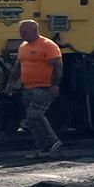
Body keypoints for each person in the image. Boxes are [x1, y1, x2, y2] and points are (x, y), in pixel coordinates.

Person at [13, 19, 63, 157]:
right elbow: (18, 65)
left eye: (24, 31)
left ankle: (52, 142)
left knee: (34, 114)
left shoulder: (48, 45)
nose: (21, 34)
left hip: (44, 87)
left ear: (34, 30)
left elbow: (57, 66)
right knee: (31, 119)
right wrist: (11, 82)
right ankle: (44, 148)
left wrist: (55, 86)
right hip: (28, 87)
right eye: (20, 31)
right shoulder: (23, 46)